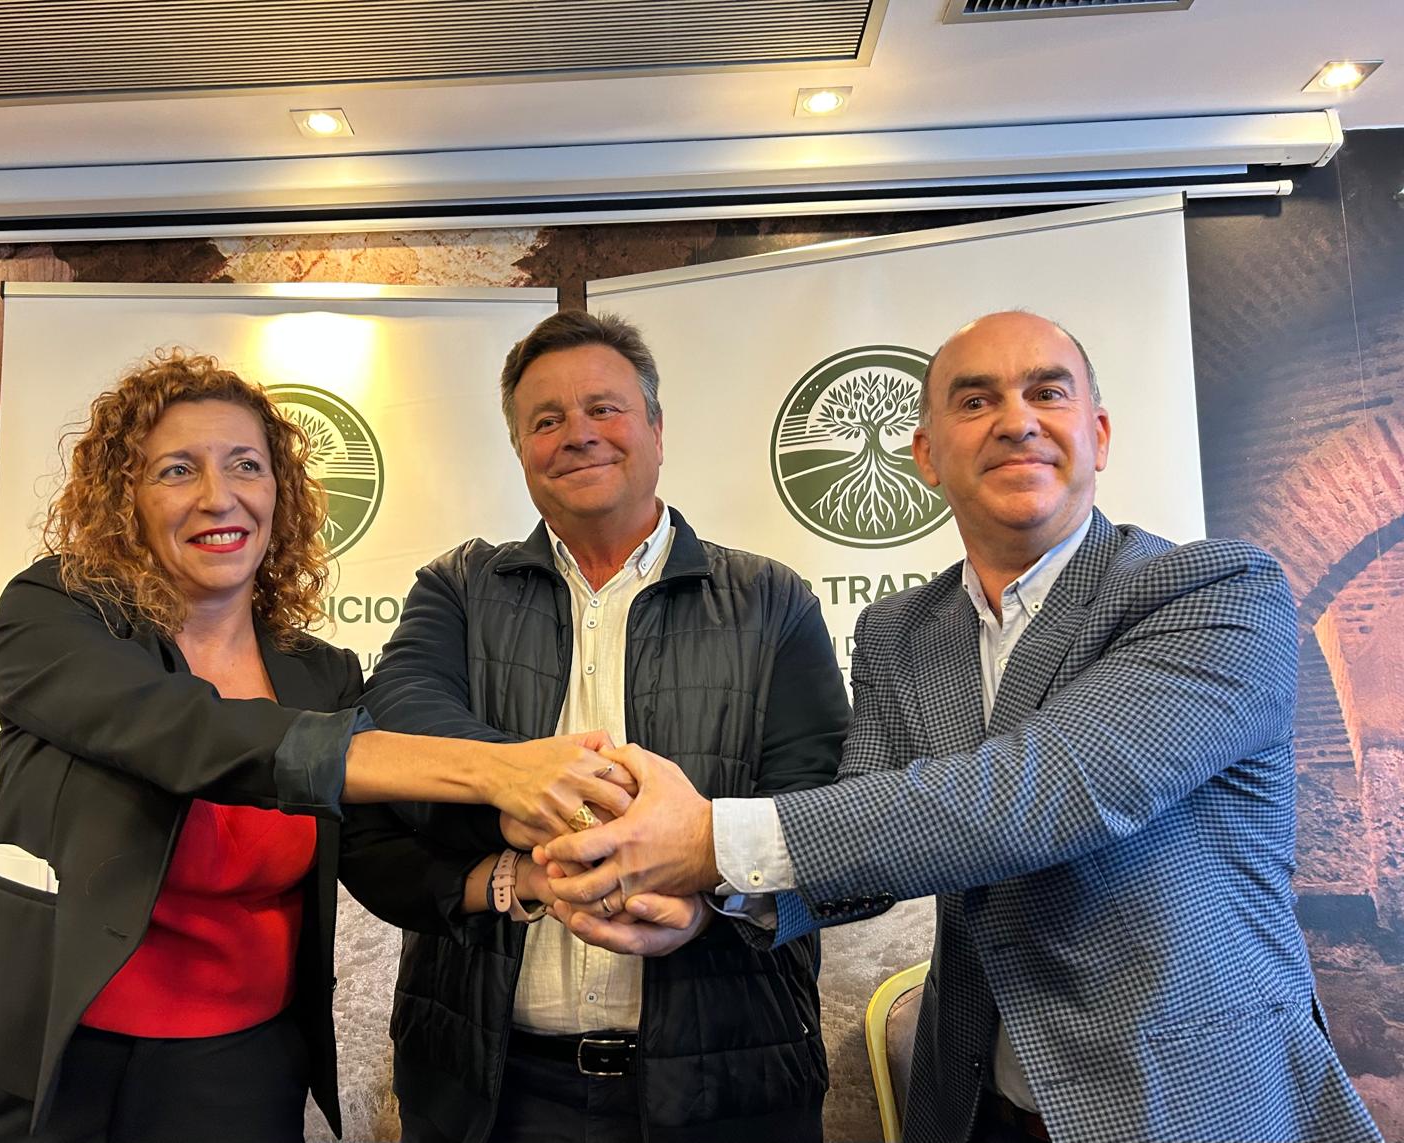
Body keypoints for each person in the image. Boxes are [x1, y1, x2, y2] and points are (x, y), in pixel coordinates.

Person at [542, 311, 1383, 1143]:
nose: (1017, 421)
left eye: (1046, 393)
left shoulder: (1216, 590)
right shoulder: (900, 629)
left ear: (1097, 434)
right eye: (976, 401)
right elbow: (866, 834)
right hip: (976, 1105)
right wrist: (713, 901)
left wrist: (708, 839)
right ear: (926, 455)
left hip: (1185, 1105)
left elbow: (1045, 790)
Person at [0, 350, 630, 1143]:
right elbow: (192, 732)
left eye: (246, 465)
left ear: (278, 493)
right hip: (40, 1060)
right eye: (176, 470)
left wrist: (521, 877)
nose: (218, 495)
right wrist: (494, 768)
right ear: (125, 499)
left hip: (240, 1072)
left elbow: (373, 849)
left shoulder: (320, 673)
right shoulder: (54, 612)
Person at [355, 310, 849, 1143]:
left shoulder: (773, 600)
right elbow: (400, 716)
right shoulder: (458, 587)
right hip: (488, 1086)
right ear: (520, 450)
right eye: (546, 420)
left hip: (728, 1084)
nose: (577, 434)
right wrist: (530, 786)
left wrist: (711, 897)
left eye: (604, 409)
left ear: (656, 428)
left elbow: (823, 809)